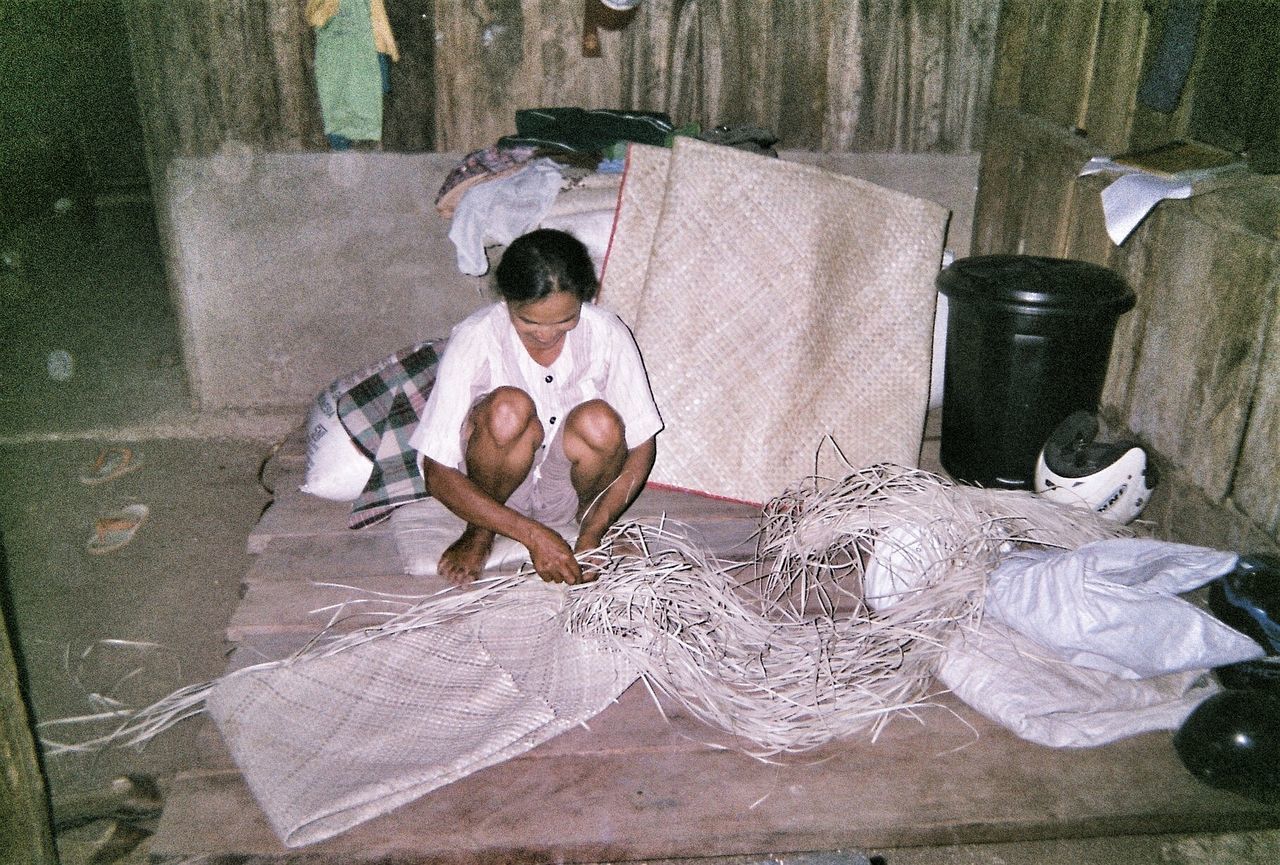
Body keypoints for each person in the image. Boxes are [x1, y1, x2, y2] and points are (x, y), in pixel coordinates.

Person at [409, 229, 662, 586]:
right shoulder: (476, 335)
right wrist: (532, 536)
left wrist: (593, 531)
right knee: (507, 409)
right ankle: (480, 532)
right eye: (529, 322)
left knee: (600, 422)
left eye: (564, 321)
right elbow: (436, 472)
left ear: (584, 299)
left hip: (571, 493)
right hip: (494, 492)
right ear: (507, 301)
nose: (547, 335)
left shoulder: (607, 333)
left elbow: (642, 445)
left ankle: (590, 522)